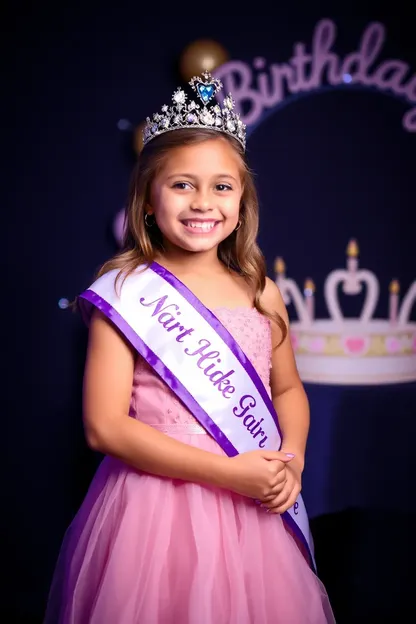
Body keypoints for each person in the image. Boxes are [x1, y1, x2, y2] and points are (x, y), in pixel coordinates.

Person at [44, 72, 335, 623]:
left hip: (254, 507)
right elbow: (103, 427)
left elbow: (288, 388)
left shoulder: (262, 292)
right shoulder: (127, 292)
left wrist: (289, 461)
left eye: (222, 186)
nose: (204, 202)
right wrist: (232, 474)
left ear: (243, 200)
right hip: (152, 512)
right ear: (148, 200)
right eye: (182, 184)